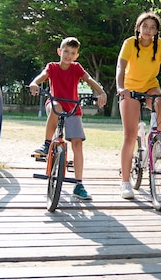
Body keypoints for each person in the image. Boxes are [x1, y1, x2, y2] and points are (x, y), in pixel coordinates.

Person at [115, 12, 161, 199]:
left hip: (150, 86)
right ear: (138, 27)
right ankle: (125, 182)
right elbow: (121, 67)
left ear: (156, 31)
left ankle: (157, 144)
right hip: (130, 88)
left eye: (152, 27)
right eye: (145, 26)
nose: (148, 30)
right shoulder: (130, 43)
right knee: (130, 135)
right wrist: (121, 87)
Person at [29, 36, 107, 201]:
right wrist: (34, 83)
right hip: (55, 103)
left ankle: (79, 184)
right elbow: (42, 76)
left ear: (76, 56)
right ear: (59, 51)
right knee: (56, 107)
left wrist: (101, 92)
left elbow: (89, 79)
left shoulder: (76, 68)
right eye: (66, 51)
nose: (68, 55)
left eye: (72, 53)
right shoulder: (53, 67)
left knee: (77, 143)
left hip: (72, 107)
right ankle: (47, 143)